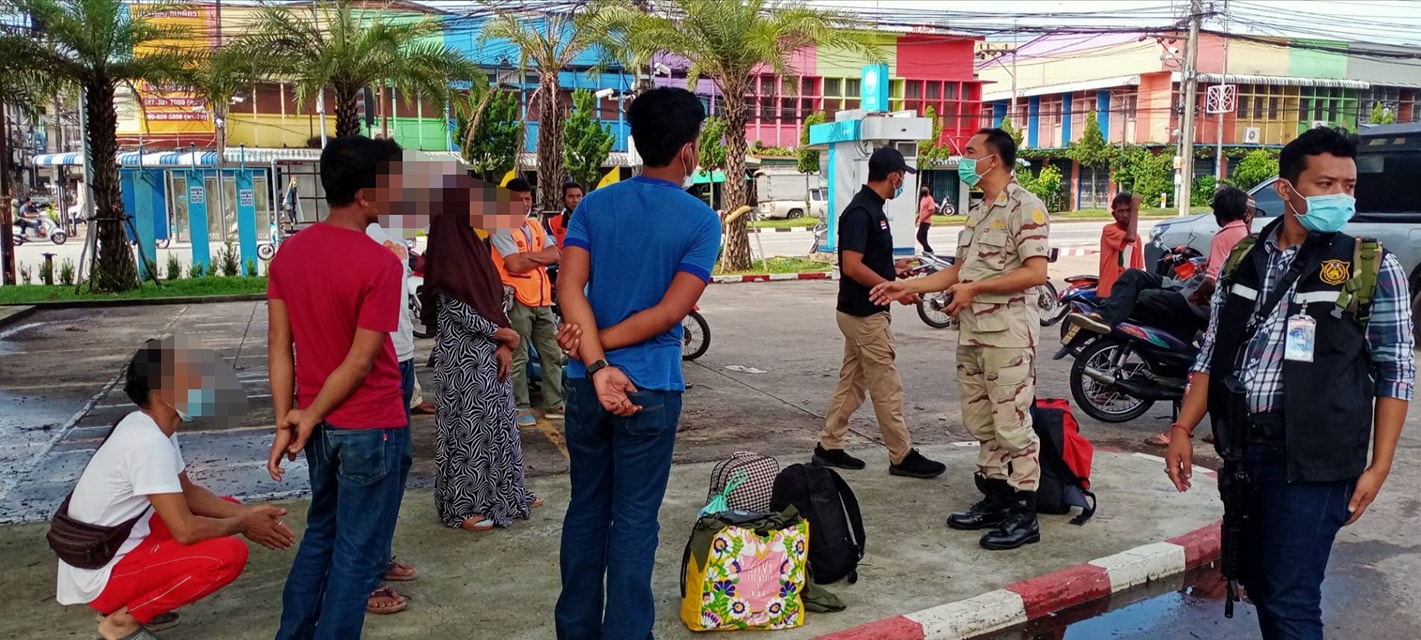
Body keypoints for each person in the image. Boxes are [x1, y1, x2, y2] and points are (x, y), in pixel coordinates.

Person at [1164, 127, 1414, 640]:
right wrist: (1184, 428)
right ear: (1287, 189)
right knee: (1255, 576)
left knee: (1290, 597)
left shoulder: (1369, 266)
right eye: (1326, 184)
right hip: (1244, 453)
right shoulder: (1243, 258)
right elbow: (1213, 350)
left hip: (1314, 461)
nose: (1341, 197)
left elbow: (1395, 370)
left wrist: (1380, 466)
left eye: (1349, 185)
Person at [549, 87, 722, 640]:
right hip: (650, 385)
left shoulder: (594, 206)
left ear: (636, 143)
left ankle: (575, 630)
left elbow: (568, 285)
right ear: (689, 152)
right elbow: (671, 311)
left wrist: (595, 360)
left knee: (586, 510)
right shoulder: (700, 220)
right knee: (634, 519)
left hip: (585, 382)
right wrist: (608, 358)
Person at [872, 127, 1051, 551]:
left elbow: (1036, 273)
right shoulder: (979, 211)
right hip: (972, 332)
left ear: (995, 159)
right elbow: (959, 271)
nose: (964, 160)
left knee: (1012, 423)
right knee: (982, 422)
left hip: (1007, 336)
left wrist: (976, 291)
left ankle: (1026, 512)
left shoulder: (1025, 207)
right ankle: (996, 497)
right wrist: (910, 287)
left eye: (970, 152)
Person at [267, 136, 410, 640]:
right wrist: (304, 416)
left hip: (321, 428)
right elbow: (361, 358)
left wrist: (291, 417)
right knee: (357, 553)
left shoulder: (289, 254)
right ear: (366, 196)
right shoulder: (380, 263)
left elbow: (279, 349)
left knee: (322, 534)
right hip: (369, 423)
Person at [56, 339, 295, 640]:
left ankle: (141, 600)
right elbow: (186, 530)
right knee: (226, 555)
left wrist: (248, 512)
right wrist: (245, 523)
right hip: (100, 573)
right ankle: (121, 621)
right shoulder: (148, 442)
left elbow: (188, 492)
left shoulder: (152, 427)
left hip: (107, 548)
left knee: (227, 507)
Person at [811, 147, 946, 480]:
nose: (902, 185)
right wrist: (891, 287)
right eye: (902, 178)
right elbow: (852, 266)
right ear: (894, 176)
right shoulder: (861, 212)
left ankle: (828, 446)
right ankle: (901, 456)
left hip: (861, 311)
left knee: (853, 384)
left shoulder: (874, 210)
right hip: (864, 315)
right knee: (886, 386)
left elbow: (866, 259)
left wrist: (892, 269)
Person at [421, 181, 541, 531]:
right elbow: (456, 310)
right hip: (462, 361)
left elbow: (495, 301)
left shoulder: (474, 247)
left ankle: (507, 495)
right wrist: (504, 334)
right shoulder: (447, 250)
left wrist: (506, 342)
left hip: (491, 357)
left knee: (501, 428)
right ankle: (463, 508)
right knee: (467, 433)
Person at [1070, 186, 1257, 342]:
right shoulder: (1243, 234)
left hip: (1192, 299)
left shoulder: (1225, 236)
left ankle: (1108, 319)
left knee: (1143, 295)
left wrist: (1196, 295)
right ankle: (1104, 317)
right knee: (1135, 276)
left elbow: (1211, 281)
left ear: (1218, 211)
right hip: (1186, 289)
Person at [363, 220, 419, 613]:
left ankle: (378, 555)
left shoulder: (395, 231)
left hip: (403, 355)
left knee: (399, 462)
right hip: (375, 360)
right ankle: (363, 579)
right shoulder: (358, 233)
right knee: (372, 470)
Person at [492, 177, 566, 427]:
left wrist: (528, 257)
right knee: (518, 357)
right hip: (517, 300)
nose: (525, 204)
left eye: (528, 199)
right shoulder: (500, 227)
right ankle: (520, 406)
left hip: (542, 299)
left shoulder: (535, 225)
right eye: (519, 199)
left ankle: (554, 404)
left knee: (552, 354)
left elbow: (556, 253)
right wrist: (540, 257)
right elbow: (513, 264)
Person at [1097, 192, 1143, 297]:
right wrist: (1135, 209)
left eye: (1128, 210)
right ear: (1114, 214)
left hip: (1128, 294)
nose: (1125, 215)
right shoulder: (1109, 230)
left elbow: (1138, 269)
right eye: (1121, 211)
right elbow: (1130, 237)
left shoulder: (1138, 239)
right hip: (1109, 293)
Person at [544, 182, 582, 250]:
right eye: (571, 196)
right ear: (563, 199)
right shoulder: (552, 223)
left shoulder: (591, 222)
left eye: (579, 196)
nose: (575, 200)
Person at [917, 186, 936, 254]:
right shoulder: (923, 198)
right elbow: (922, 210)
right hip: (922, 221)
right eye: (922, 190)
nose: (923, 191)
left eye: (925, 190)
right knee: (924, 238)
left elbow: (932, 211)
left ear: (928, 190)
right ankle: (926, 252)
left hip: (926, 222)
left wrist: (924, 217)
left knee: (919, 237)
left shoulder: (930, 199)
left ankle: (929, 250)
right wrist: (918, 218)